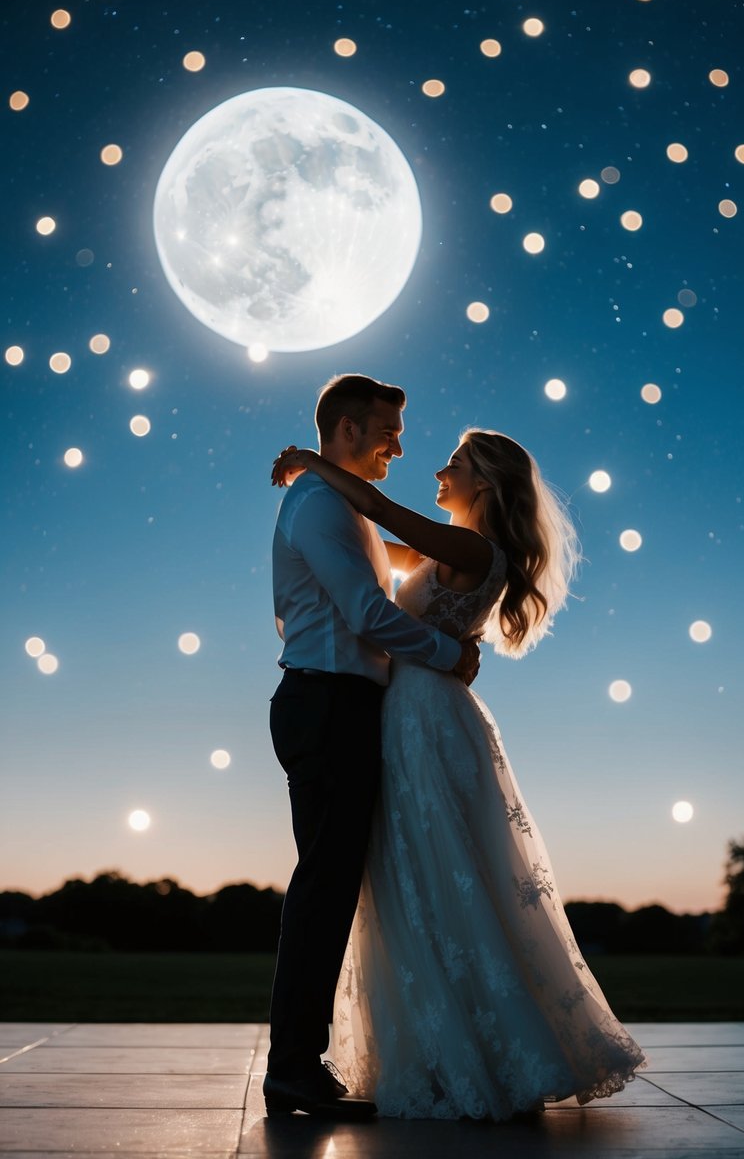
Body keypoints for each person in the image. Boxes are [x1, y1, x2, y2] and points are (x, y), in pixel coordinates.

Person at [271, 428, 647, 1120]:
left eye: (456, 463)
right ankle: (454, 1039)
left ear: (486, 484)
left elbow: (383, 518)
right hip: (416, 707)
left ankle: (476, 1050)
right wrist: (308, 518)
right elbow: (365, 552)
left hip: (423, 712)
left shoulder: (471, 548)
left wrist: (313, 465)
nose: (439, 470)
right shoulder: (449, 550)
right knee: (423, 873)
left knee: (437, 870)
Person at [263, 374, 480, 1119]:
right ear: (348, 428)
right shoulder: (322, 505)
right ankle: (292, 1067)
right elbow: (362, 614)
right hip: (327, 702)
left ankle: (299, 1062)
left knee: (329, 888)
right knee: (324, 889)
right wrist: (446, 654)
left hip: (338, 701)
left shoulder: (338, 504)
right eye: (387, 429)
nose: (399, 444)